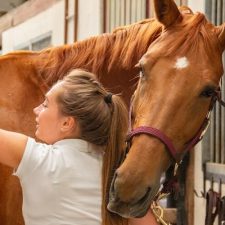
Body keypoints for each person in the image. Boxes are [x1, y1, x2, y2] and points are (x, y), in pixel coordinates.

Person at [0, 69, 159, 225]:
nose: (36, 110)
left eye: (45, 104)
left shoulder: (40, 161)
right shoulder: (114, 171)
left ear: (66, 123)